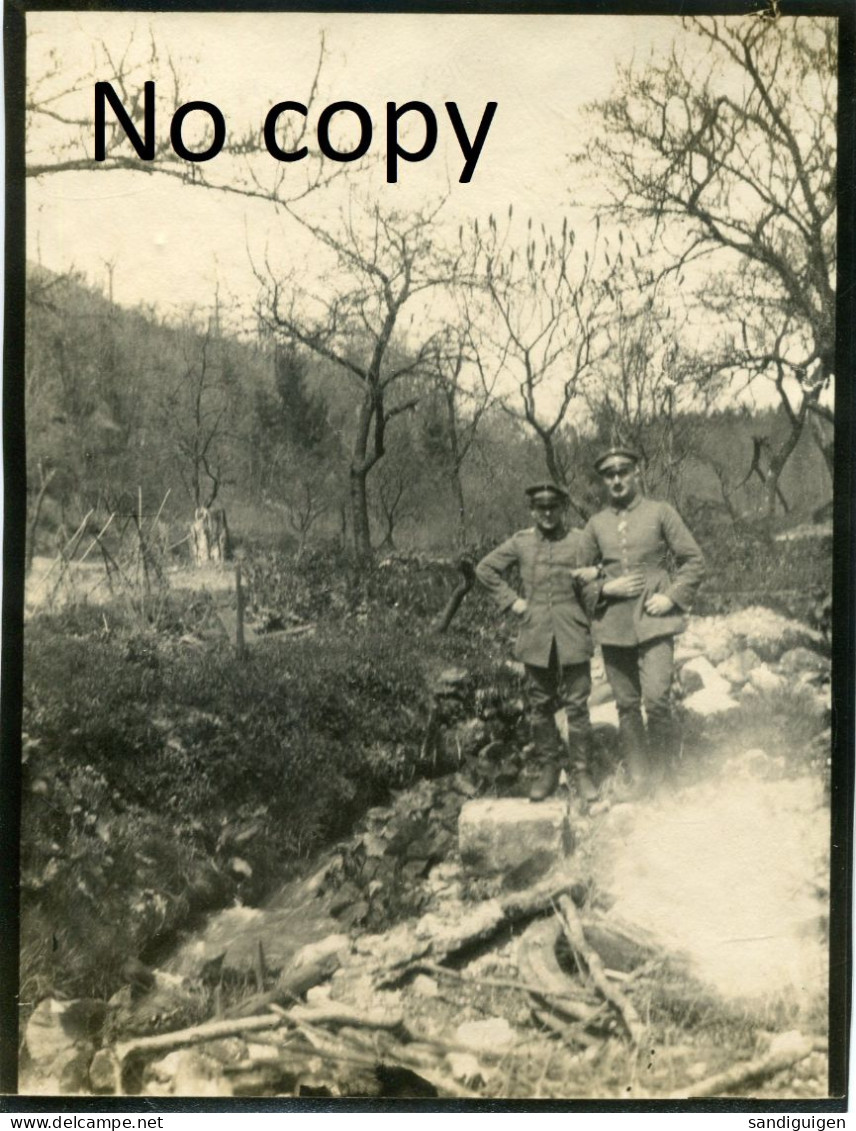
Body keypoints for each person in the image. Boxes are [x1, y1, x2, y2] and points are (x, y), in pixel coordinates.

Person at [578, 447, 705, 792]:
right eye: (609, 475)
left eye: (623, 472)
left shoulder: (660, 512)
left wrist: (671, 597)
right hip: (614, 624)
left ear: (636, 474)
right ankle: (639, 778)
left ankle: (664, 778)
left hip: (655, 619)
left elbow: (694, 560)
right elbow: (577, 577)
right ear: (603, 481)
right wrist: (606, 588)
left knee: (657, 700)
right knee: (626, 705)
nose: (617, 480)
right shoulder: (595, 524)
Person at [476, 482, 601, 803]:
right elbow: (485, 569)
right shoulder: (521, 543)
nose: (547, 514)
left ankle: (582, 771)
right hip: (535, 635)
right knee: (540, 705)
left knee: (577, 705)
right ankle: (549, 769)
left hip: (572, 632)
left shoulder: (580, 540)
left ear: (563, 509)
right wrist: (513, 602)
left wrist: (595, 583)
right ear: (532, 511)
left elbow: (604, 568)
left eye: (553, 508)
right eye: (540, 508)